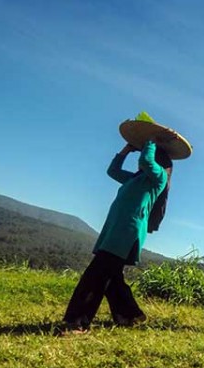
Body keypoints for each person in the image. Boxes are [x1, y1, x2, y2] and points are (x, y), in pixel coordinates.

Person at [62, 135, 174, 333]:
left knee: (95, 276)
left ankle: (79, 322)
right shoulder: (135, 178)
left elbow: (146, 161)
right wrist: (126, 150)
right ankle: (130, 315)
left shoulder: (158, 178)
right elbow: (112, 171)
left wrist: (149, 141)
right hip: (114, 231)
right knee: (111, 277)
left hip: (127, 234)